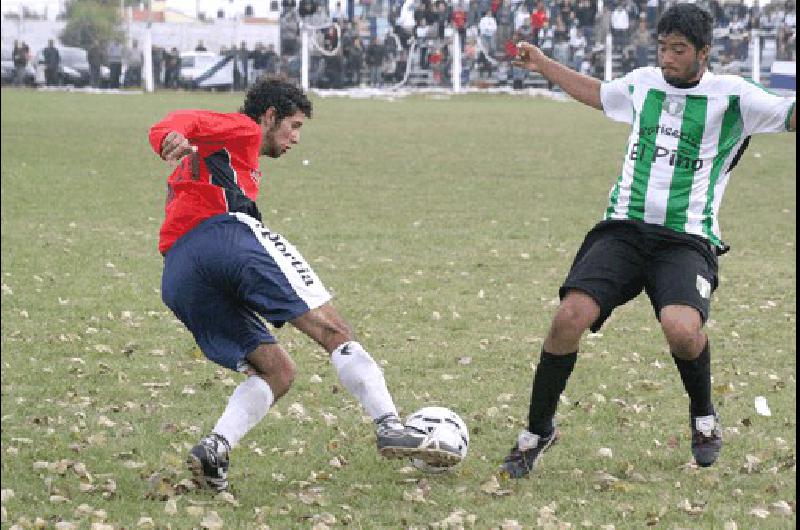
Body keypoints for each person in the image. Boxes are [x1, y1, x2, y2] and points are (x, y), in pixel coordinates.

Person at [502, 3, 796, 479]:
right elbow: (599, 94)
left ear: (704, 52)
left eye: (678, 50)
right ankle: (537, 432)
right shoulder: (642, 83)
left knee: (682, 330)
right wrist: (543, 65)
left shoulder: (735, 96)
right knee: (567, 317)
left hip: (686, 239)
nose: (667, 58)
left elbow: (790, 115)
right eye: (662, 47)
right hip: (622, 229)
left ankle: (703, 418)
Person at [148, 77, 460, 492]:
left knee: (277, 371)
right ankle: (389, 425)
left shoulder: (224, 157)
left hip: (179, 273)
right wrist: (168, 135)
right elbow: (184, 119)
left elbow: (188, 132)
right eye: (293, 126)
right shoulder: (243, 128)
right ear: (269, 116)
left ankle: (214, 449)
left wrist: (171, 137)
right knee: (333, 329)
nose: (295, 138)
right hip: (223, 239)